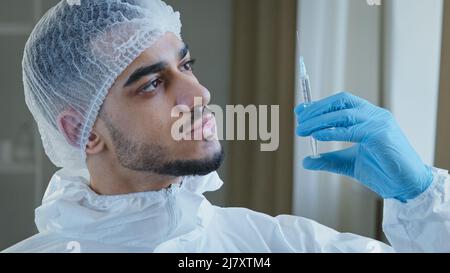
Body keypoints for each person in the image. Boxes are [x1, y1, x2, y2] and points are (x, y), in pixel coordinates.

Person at [3, 0, 450, 253]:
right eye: (153, 83)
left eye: (186, 65)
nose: (198, 94)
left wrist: (421, 198)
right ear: (80, 128)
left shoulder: (273, 245)